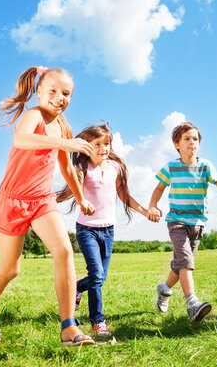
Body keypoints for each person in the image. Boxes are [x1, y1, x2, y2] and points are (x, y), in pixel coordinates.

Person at [0, 66, 95, 346]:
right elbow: (22, 139)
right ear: (39, 90)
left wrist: (81, 198)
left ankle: (68, 327)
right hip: (12, 200)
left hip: (42, 200)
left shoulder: (64, 127)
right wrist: (64, 142)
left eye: (66, 93)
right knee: (10, 269)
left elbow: (66, 169)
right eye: (52, 90)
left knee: (64, 251)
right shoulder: (33, 116)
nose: (59, 97)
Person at [57, 124, 149, 340]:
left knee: (100, 277)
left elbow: (124, 196)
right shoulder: (82, 167)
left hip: (108, 230)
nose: (103, 148)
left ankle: (78, 286)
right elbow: (72, 190)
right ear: (87, 146)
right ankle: (98, 322)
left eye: (106, 144)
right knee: (96, 274)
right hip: (86, 229)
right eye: (96, 144)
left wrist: (144, 211)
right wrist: (51, 199)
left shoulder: (115, 168)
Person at [148, 122, 217, 322]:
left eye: (195, 139)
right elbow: (158, 189)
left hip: (198, 223)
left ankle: (164, 289)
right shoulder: (171, 167)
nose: (192, 142)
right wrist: (153, 205)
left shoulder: (205, 166)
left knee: (181, 264)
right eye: (187, 139)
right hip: (177, 221)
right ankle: (192, 303)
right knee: (185, 261)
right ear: (176, 144)